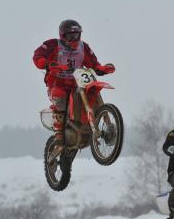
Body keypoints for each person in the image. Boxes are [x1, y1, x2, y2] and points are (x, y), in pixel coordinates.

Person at [33, 19, 115, 148]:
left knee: (93, 90)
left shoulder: (84, 47)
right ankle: (59, 133)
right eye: (70, 35)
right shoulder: (53, 45)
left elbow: (93, 64)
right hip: (57, 84)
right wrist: (46, 64)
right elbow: (38, 55)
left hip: (78, 83)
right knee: (60, 96)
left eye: (76, 35)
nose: (73, 38)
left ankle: (108, 126)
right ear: (62, 35)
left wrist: (102, 68)